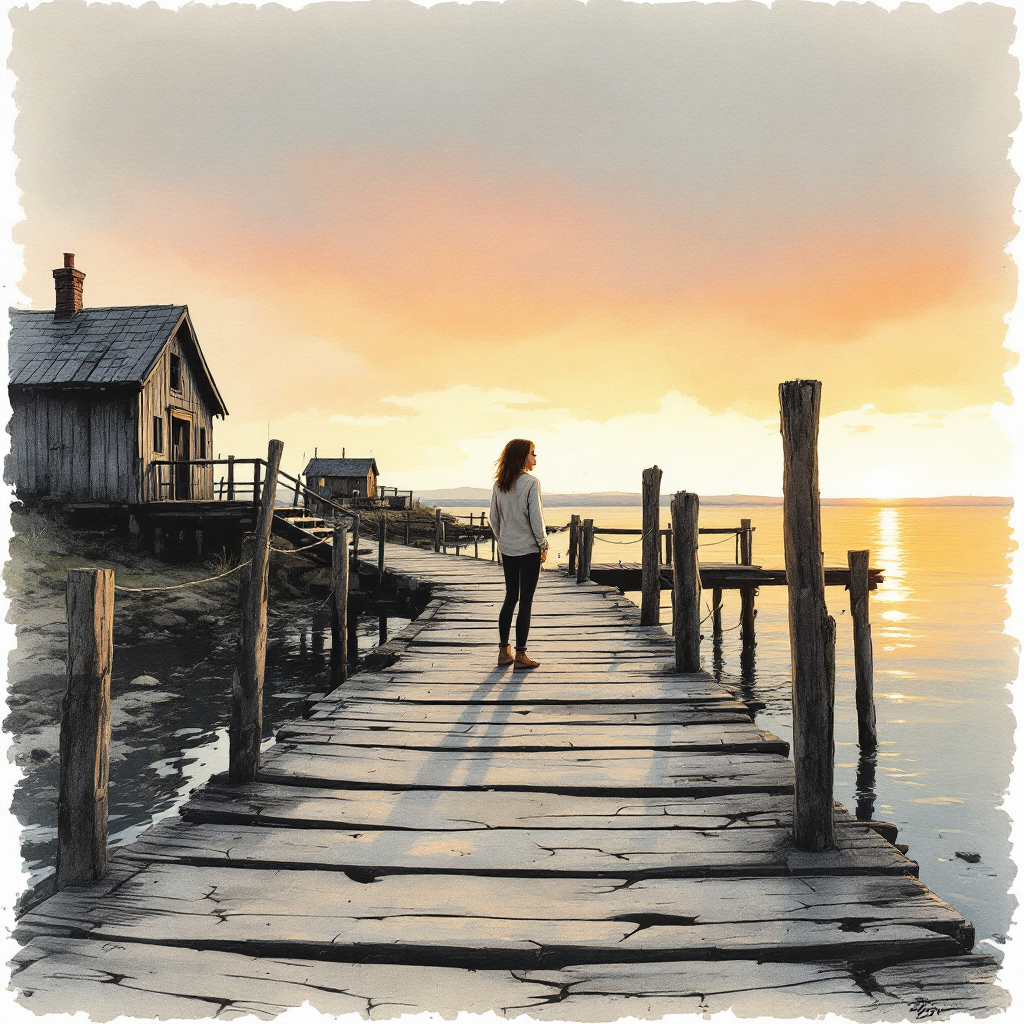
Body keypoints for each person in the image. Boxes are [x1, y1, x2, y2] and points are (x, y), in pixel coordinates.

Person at [489, 438, 548, 669]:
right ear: (522, 456)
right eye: (533, 453)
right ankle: (521, 655)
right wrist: (543, 544)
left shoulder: (499, 485)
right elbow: (537, 520)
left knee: (510, 597)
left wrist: (503, 541)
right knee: (526, 601)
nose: (535, 458)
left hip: (509, 548)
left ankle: (504, 651)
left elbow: (494, 519)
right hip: (529, 549)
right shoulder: (531, 483)